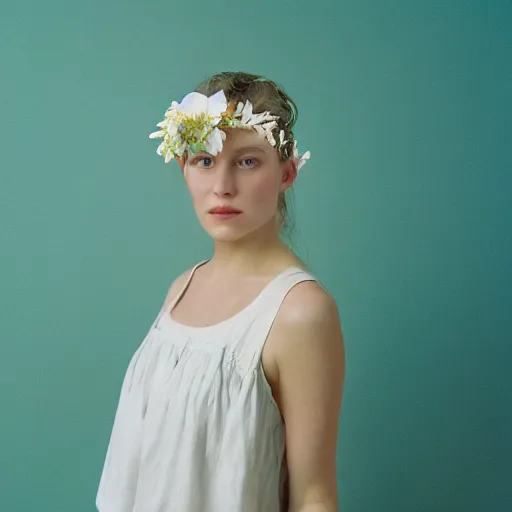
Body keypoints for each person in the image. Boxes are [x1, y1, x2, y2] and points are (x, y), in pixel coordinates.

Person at [95, 71, 345, 512]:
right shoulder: (182, 288)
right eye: (204, 160)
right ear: (183, 167)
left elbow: (314, 495)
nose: (222, 186)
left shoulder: (300, 313)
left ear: (286, 173)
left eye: (248, 161)